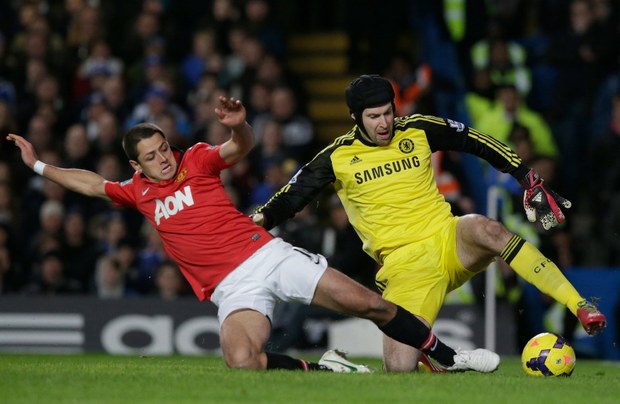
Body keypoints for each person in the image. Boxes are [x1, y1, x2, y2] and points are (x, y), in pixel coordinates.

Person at [8, 95, 498, 373]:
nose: (164, 157)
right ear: (137, 164)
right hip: (231, 290)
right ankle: (323, 369)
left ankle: (449, 357)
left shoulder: (196, 159)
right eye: (153, 155)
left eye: (164, 148)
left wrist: (240, 127)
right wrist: (39, 166)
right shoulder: (135, 191)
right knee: (242, 360)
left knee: (373, 306)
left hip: (265, 256)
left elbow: (235, 148)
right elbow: (91, 183)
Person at [252, 74, 607, 372]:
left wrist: (525, 175)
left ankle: (580, 305)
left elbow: (474, 140)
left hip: (448, 238)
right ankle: (422, 360)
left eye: (388, 113)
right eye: (374, 116)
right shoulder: (336, 156)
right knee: (398, 369)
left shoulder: (418, 129)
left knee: (489, 229)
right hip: (404, 267)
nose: (384, 123)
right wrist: (257, 220)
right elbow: (290, 198)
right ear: (354, 117)